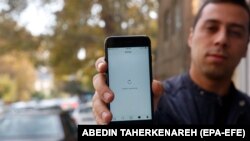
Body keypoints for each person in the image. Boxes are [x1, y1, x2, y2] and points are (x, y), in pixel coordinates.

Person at [92, 0, 250, 125]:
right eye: (211, 28)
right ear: (191, 37)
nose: (221, 40)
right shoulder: (156, 103)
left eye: (235, 32)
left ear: (246, 48)